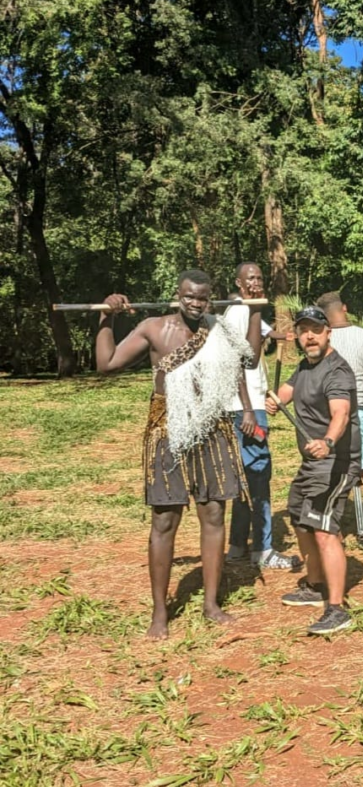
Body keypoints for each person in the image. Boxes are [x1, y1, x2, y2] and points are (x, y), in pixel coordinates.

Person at [95, 270, 254, 640]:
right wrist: (106, 318)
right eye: (189, 297)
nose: (196, 304)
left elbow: (245, 365)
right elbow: (107, 364)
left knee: (214, 512)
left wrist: (246, 407)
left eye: (202, 298)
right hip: (167, 428)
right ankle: (160, 613)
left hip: (212, 427)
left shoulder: (219, 330)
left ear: (210, 299)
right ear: (177, 296)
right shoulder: (153, 328)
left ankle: (212, 604)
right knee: (165, 520)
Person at [266, 306, 361, 635]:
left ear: (327, 332)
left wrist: (329, 442)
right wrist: (275, 401)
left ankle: (336, 608)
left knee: (323, 529)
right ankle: (315, 585)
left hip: (336, 461)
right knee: (299, 517)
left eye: (315, 330)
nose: (309, 336)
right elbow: (288, 391)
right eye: (304, 330)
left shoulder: (337, 371)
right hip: (313, 463)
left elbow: (341, 414)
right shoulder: (305, 366)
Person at [223, 262, 300, 570]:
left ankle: (237, 546)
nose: (256, 282)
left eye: (259, 277)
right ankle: (264, 550)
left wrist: (285, 336)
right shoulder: (240, 311)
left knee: (246, 478)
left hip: (246, 405)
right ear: (239, 283)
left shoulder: (247, 311)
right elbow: (244, 362)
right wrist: (247, 410)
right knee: (258, 477)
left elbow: (269, 334)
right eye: (250, 278)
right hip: (247, 409)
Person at [315, 291, 363, 532]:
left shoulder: (324, 339)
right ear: (344, 308)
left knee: (333, 469)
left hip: (330, 414)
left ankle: (329, 527)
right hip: (359, 411)